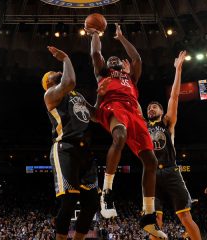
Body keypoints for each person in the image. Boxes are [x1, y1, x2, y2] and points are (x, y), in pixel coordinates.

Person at [85, 24, 167, 239]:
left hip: (133, 112)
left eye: (117, 60)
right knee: (119, 136)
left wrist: (121, 37)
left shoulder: (131, 78)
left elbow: (138, 59)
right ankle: (107, 192)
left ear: (123, 65)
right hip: (112, 107)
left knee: (151, 162)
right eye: (110, 60)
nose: (114, 60)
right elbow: (95, 53)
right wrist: (95, 34)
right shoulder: (103, 74)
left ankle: (149, 216)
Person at [42, 46, 99, 240]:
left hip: (86, 151)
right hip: (65, 148)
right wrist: (66, 58)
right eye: (51, 74)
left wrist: (106, 93)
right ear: (48, 83)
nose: (55, 72)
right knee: (69, 199)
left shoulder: (78, 96)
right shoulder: (50, 95)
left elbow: (96, 116)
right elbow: (70, 81)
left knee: (92, 203)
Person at [146, 51, 201, 240]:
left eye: (155, 106)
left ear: (161, 112)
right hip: (151, 176)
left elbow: (174, 97)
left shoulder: (167, 123)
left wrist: (178, 70)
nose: (151, 108)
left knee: (185, 216)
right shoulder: (143, 127)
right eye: (149, 107)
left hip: (170, 171)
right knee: (155, 222)